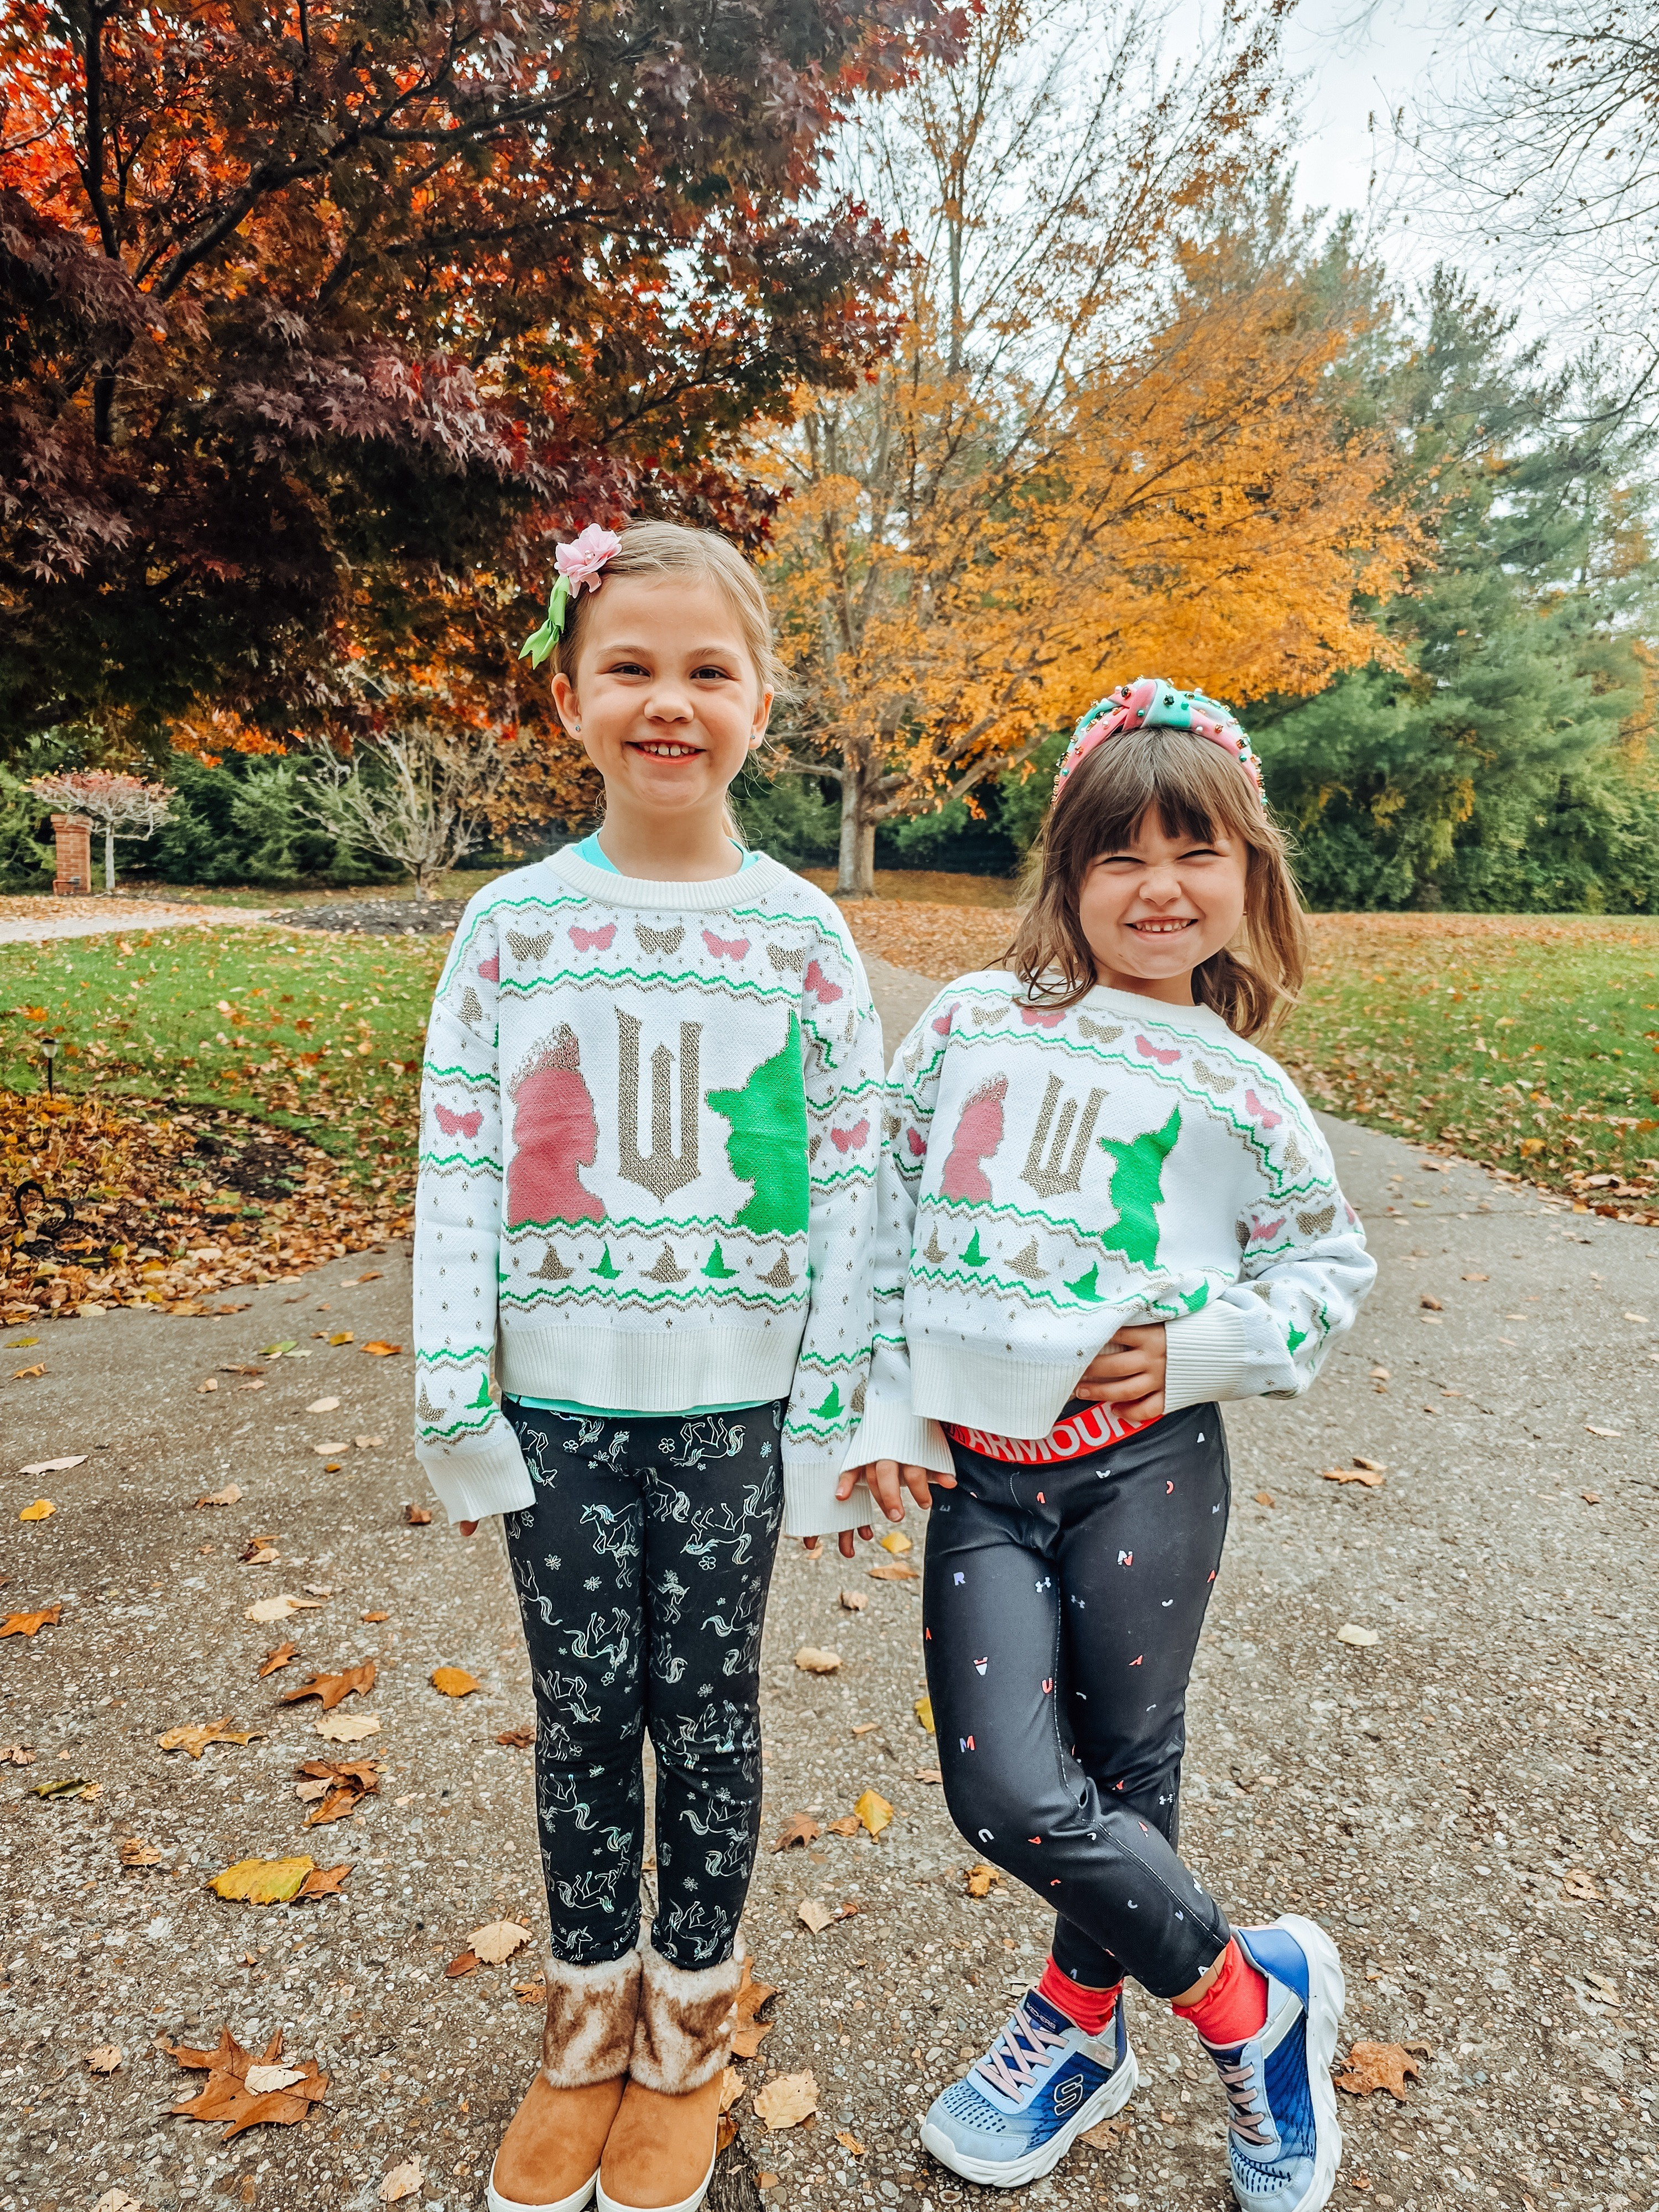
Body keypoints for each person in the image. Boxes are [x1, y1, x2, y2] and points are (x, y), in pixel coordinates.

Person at [850, 679, 1376, 2212]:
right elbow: (880, 1206)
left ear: (1248, 874)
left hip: (1149, 1469)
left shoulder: (1245, 1089)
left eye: (1196, 851)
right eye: (1119, 855)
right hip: (987, 1481)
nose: (1159, 886)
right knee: (1008, 1791)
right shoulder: (971, 1021)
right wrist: (887, 1402)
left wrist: (1207, 1348)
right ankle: (1251, 2003)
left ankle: (1080, 2027)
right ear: (1067, 874)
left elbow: (1327, 1265)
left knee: (1129, 1772)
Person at [413, 520, 885, 2212]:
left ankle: (686, 2038)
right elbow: (459, 1160)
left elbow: (854, 1180)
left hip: (735, 1413)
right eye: (629, 667)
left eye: (707, 670)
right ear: (570, 699)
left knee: (709, 1715)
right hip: (557, 1408)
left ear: (760, 700)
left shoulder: (804, 935)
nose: (668, 702)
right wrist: (456, 1403)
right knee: (582, 1719)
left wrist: (833, 1423)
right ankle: (583, 2031)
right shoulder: (512, 926)